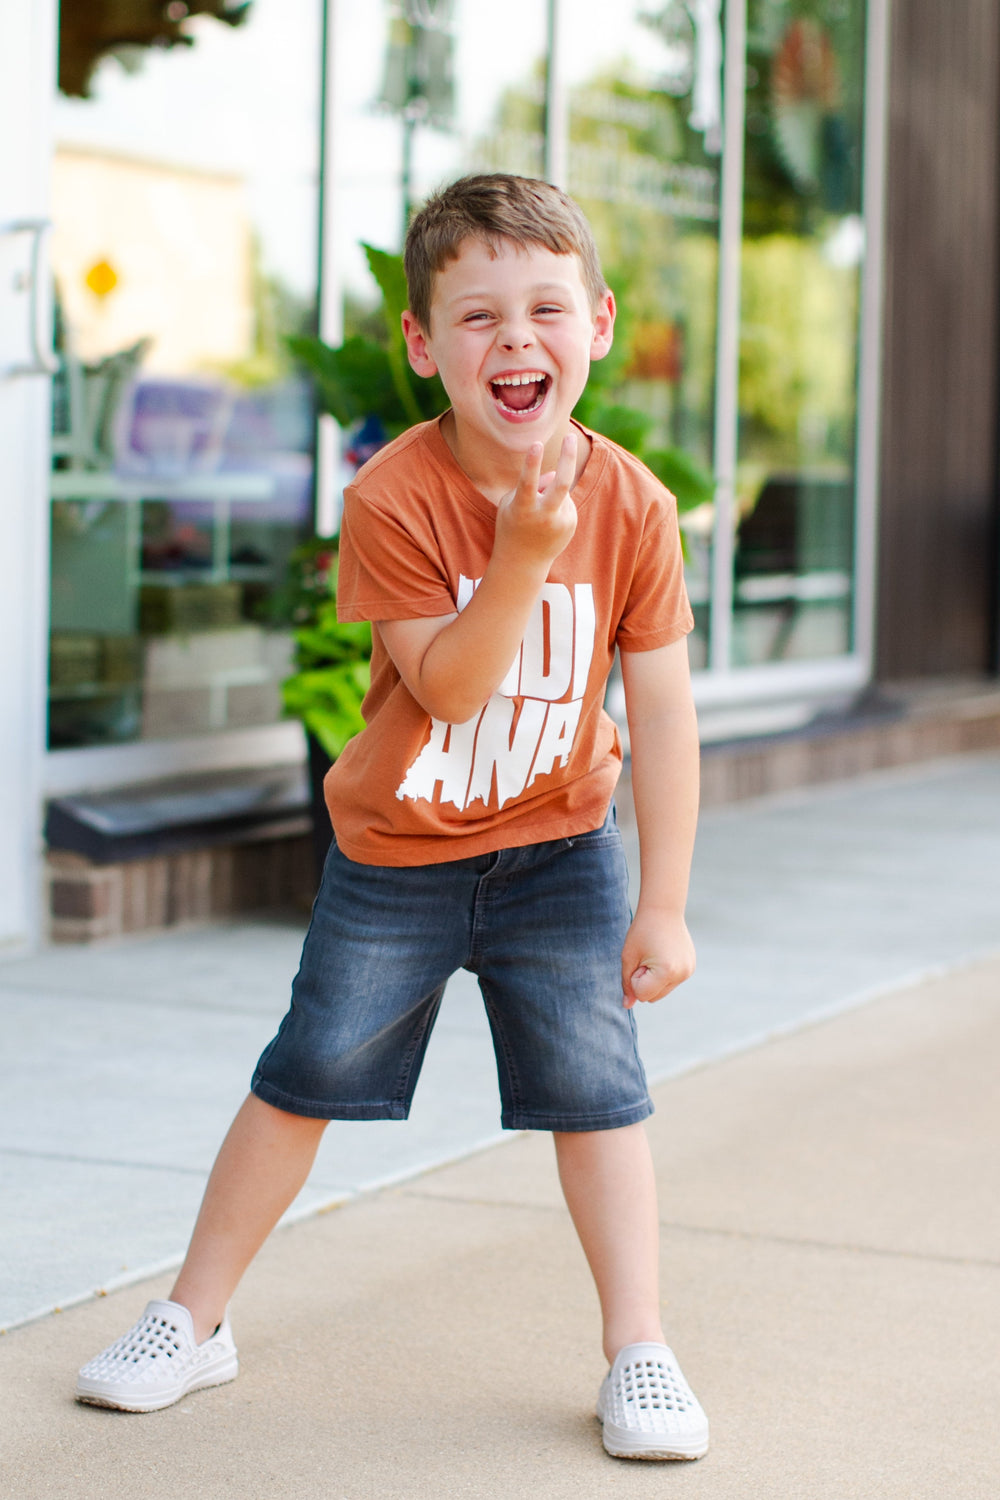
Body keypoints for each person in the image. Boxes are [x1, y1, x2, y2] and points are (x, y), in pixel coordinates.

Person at [75, 173, 708, 1462]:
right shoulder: (396, 497)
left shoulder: (635, 504)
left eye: (544, 309)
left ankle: (639, 1348)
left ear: (596, 321)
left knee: (599, 1094)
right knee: (306, 1073)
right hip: (399, 856)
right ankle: (194, 1321)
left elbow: (665, 708)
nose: (514, 339)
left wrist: (665, 900)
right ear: (425, 347)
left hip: (561, 849)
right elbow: (454, 684)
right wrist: (524, 553)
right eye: (476, 318)